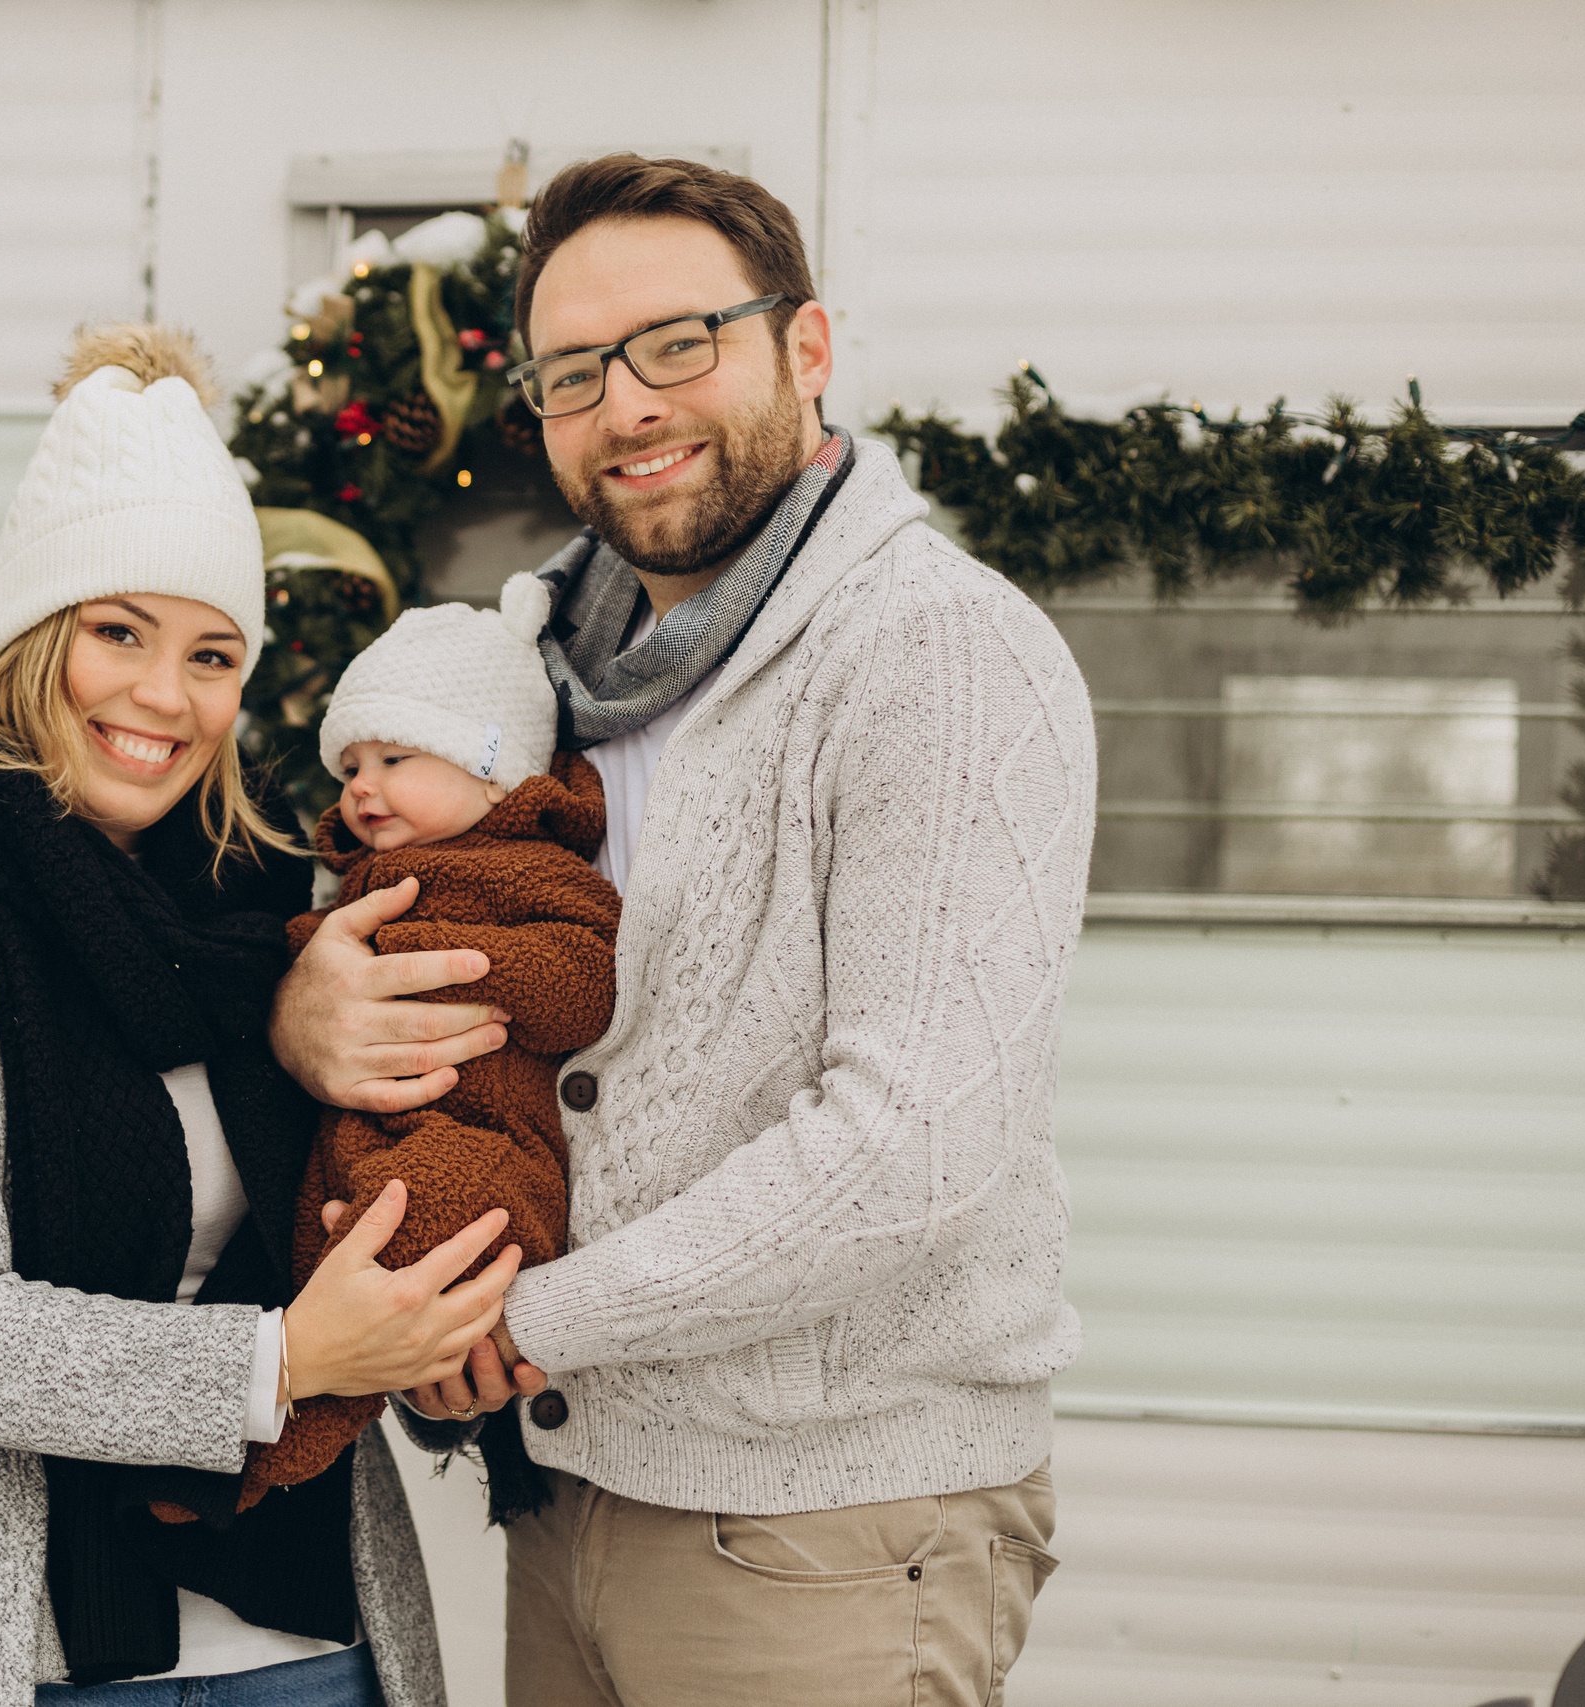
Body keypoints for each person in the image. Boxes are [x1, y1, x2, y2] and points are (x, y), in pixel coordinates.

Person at [271, 155, 1097, 1705]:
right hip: (571, 1488)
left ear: (807, 348)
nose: (628, 403)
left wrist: (525, 1317)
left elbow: (915, 1138)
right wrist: (309, 1004)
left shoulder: (938, 652)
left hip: (826, 1518)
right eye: (575, 371)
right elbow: (408, 914)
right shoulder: (537, 664)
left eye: (679, 341)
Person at [0, 325, 522, 1707]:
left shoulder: (273, 923)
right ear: (31, 635)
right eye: (120, 631)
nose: (166, 697)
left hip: (306, 1644)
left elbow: (369, 1206)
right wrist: (281, 1360)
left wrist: (429, 1346)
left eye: (214, 654)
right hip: (8, 1654)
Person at [233, 576, 619, 1517]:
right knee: (311, 1235)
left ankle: (292, 1432)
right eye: (350, 763)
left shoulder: (538, 873)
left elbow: (585, 984)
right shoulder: (351, 877)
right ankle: (257, 1409)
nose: (361, 786)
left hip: (492, 1149)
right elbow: (305, 969)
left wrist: (460, 963)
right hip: (364, 1136)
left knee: (421, 1209)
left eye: (395, 756)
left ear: (492, 766)